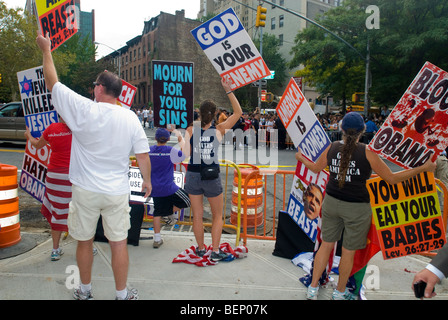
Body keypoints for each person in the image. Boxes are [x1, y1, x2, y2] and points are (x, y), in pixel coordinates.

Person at [36, 33, 152, 300]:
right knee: (118, 243)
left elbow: (53, 83)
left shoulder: (83, 110)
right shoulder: (131, 118)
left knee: (84, 241)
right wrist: (147, 182)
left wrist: (46, 51)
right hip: (116, 191)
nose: (92, 89)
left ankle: (85, 291)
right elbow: (143, 156)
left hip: (86, 190)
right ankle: (122, 295)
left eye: (94, 86)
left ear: (100, 88)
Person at [295, 112, 436, 300]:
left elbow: (315, 168)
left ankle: (313, 289)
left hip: (331, 203)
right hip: (357, 208)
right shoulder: (367, 152)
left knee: (325, 246)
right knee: (348, 252)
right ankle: (339, 292)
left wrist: (301, 158)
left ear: (341, 129)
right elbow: (392, 179)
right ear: (362, 131)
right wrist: (423, 169)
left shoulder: (332, 147)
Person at [183, 76, 242, 261]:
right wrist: (228, 90)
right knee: (218, 216)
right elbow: (238, 112)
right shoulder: (220, 129)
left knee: (198, 216)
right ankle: (215, 250)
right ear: (215, 113)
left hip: (193, 174)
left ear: (199, 113)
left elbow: (185, 153)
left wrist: (180, 140)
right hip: (211, 176)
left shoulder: (191, 129)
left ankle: (201, 249)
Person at [24, 119, 72, 261]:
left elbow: (37, 145)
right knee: (79, 212)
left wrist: (28, 136)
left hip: (53, 176)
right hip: (73, 176)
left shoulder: (52, 128)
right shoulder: (77, 127)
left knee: (57, 212)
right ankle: (86, 247)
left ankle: (55, 250)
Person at [148, 127, 190, 248]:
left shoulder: (149, 150)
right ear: (167, 139)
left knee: (157, 213)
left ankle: (157, 239)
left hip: (155, 187)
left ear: (156, 138)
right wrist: (180, 138)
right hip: (169, 187)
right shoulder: (170, 150)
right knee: (188, 200)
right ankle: (167, 212)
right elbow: (185, 154)